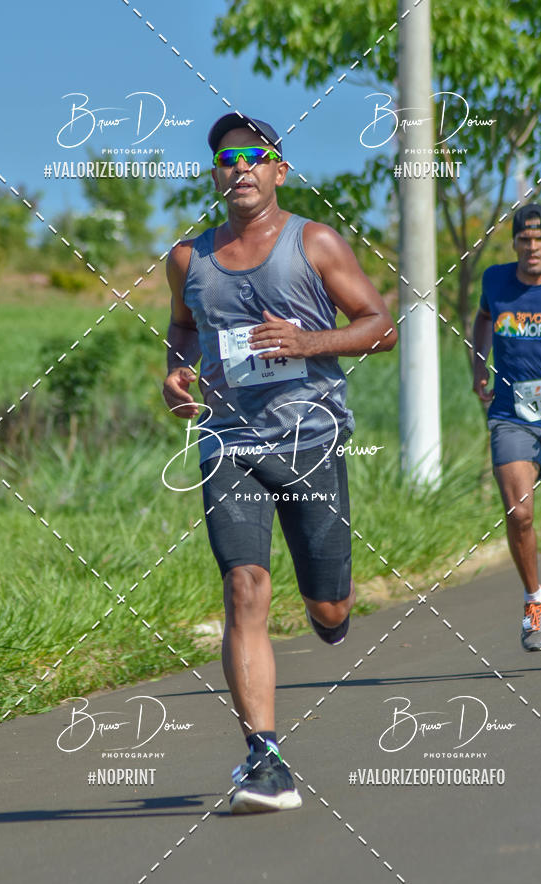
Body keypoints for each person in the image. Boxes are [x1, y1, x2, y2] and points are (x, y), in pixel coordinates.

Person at [162, 113, 397, 813]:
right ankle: (265, 760)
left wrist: (306, 341)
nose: (241, 167)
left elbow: (381, 328)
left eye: (255, 157)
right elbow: (181, 329)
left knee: (329, 608)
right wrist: (177, 375)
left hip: (311, 439)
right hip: (229, 442)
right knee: (244, 585)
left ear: (278, 171)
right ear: (215, 174)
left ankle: (328, 611)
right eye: (228, 157)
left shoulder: (314, 242)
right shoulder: (187, 258)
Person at [472, 202, 541, 663]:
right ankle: (535, 599)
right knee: (519, 513)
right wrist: (479, 369)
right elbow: (483, 319)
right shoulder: (496, 280)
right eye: (524, 240)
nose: (532, 247)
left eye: (540, 239)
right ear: (515, 243)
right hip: (512, 413)